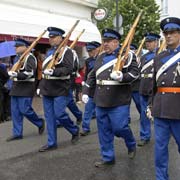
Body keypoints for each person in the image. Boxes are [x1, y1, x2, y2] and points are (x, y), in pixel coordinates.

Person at [82, 28, 139, 167]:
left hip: (118, 99)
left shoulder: (127, 55)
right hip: (101, 99)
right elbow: (92, 76)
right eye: (104, 41)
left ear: (116, 42)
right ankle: (108, 157)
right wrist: (86, 91)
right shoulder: (100, 57)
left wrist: (122, 77)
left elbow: (135, 74)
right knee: (104, 131)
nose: (105, 44)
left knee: (120, 128)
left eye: (108, 41)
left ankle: (131, 143)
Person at [39, 27, 79, 152]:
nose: (51, 39)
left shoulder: (67, 51)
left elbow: (68, 69)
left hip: (60, 88)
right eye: (50, 37)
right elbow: (44, 72)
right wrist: (40, 87)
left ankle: (74, 130)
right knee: (49, 117)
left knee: (59, 114)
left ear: (61, 38)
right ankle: (51, 143)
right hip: (47, 87)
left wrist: (54, 72)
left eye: (54, 37)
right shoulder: (50, 52)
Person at [149, 17, 180, 180]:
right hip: (161, 109)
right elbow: (153, 84)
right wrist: (150, 105)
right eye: (166, 33)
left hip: (178, 108)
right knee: (160, 150)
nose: (169, 36)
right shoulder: (158, 58)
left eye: (173, 32)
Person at [6, 38, 45, 141]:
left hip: (26, 87)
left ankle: (39, 122)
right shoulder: (17, 58)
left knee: (25, 110)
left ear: (24, 47)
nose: (15, 48)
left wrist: (17, 74)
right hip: (16, 87)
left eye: (17, 46)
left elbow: (30, 73)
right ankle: (17, 133)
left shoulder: (30, 57)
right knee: (15, 112)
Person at [138, 32, 160, 146]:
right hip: (143, 86)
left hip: (155, 87)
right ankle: (145, 135)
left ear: (156, 42)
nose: (148, 44)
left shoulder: (161, 54)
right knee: (144, 113)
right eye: (147, 42)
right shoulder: (144, 57)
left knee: (158, 113)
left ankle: (162, 134)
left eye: (150, 42)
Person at [80, 41, 101, 136]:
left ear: (97, 49)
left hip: (101, 87)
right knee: (88, 109)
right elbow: (87, 73)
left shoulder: (102, 58)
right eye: (88, 51)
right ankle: (85, 128)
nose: (90, 53)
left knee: (101, 110)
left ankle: (104, 127)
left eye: (91, 50)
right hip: (91, 87)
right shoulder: (88, 61)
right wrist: (84, 82)